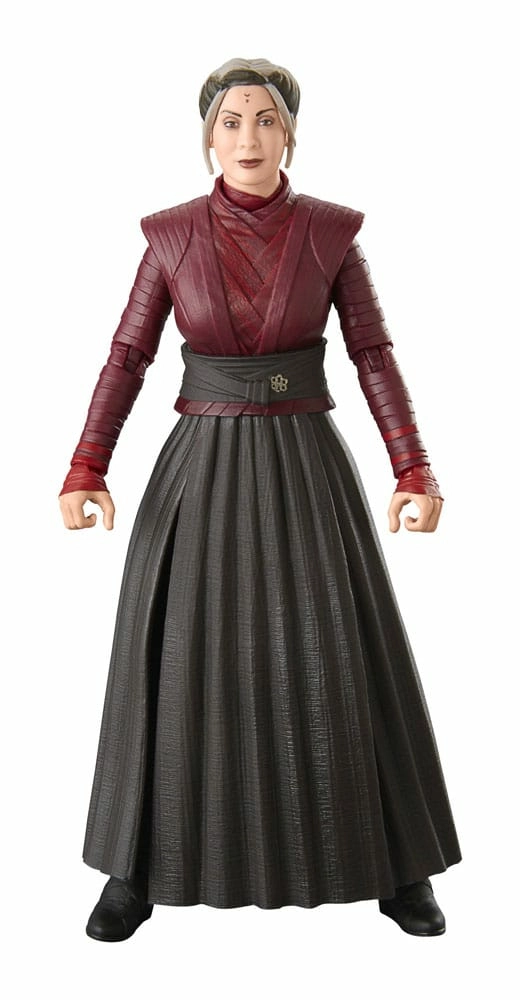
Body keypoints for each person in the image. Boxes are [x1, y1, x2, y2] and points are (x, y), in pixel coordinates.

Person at [59, 57, 461, 942]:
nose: (248, 137)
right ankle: (135, 870)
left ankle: (399, 866)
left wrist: (414, 468)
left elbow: (373, 355)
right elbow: (127, 357)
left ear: (290, 133)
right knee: (171, 661)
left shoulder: (331, 234)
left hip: (305, 460)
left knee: (345, 654)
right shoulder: (170, 237)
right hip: (198, 464)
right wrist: (87, 466)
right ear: (208, 135)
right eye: (231, 120)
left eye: (266, 119)